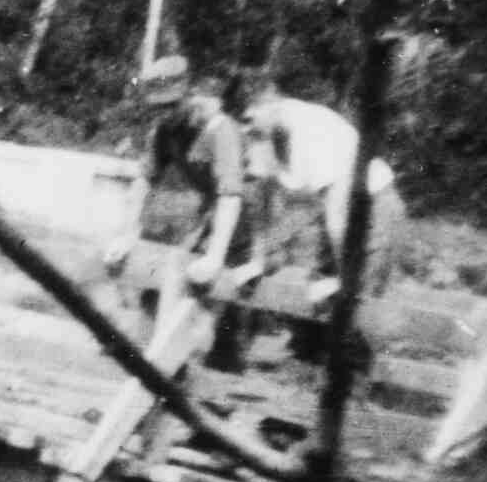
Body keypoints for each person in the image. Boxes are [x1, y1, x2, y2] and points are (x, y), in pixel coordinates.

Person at [127, 55, 255, 371]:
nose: (165, 114)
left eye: (172, 105)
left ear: (190, 94)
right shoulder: (164, 130)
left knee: (202, 321)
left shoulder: (219, 129)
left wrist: (214, 256)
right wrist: (127, 236)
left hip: (237, 228)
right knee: (153, 305)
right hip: (203, 224)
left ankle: (197, 398)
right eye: (157, 107)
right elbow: (144, 179)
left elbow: (230, 197)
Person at [241, 72, 405, 297]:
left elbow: (336, 211)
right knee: (313, 303)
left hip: (372, 211)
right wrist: (257, 260)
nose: (246, 128)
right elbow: (261, 200)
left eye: (249, 118)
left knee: (355, 304)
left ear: (270, 102)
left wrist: (344, 281)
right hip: (334, 221)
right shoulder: (263, 134)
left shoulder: (309, 128)